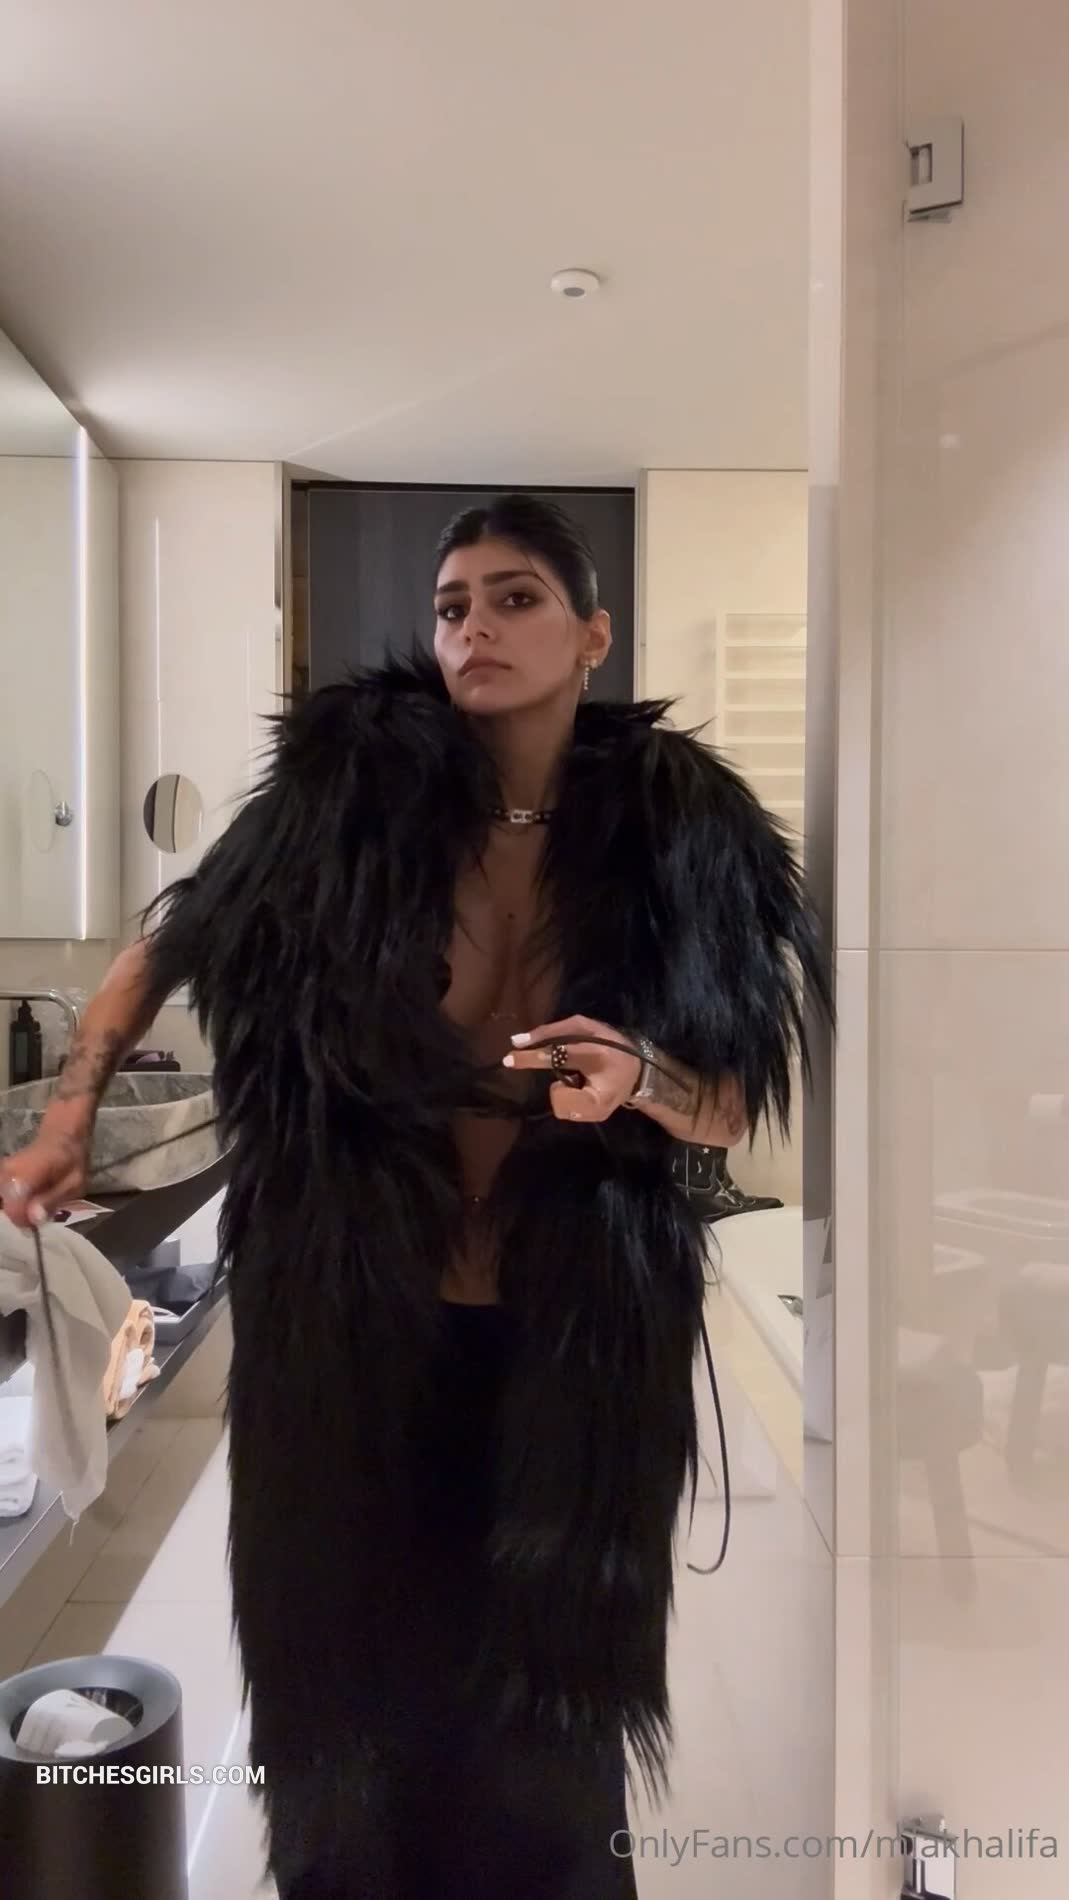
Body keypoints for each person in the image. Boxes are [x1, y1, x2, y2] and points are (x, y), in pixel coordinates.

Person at [1, 495, 830, 1898]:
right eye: (452, 606)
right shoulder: (349, 796)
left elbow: (730, 1104)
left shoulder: (685, 833)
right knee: (352, 1674)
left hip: (574, 1327)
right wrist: (68, 1116)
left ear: (592, 634)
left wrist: (637, 1076)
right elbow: (168, 946)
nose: (474, 628)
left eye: (514, 598)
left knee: (552, 1695)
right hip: (354, 1316)